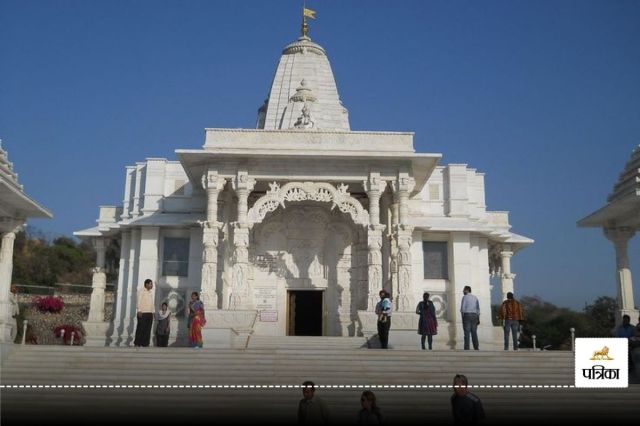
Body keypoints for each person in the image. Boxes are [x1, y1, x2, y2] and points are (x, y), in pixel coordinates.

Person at [133, 279, 154, 347]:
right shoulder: (141, 291)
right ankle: (137, 343)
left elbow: (152, 303)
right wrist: (139, 310)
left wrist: (153, 311)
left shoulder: (150, 292)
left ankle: (145, 343)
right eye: (151, 284)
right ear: (146, 284)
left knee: (148, 329)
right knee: (140, 328)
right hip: (142, 312)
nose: (152, 285)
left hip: (149, 313)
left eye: (152, 284)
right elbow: (138, 301)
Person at [460, 286, 480, 350]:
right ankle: (476, 347)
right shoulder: (475, 298)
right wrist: (478, 318)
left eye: (464, 290)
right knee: (474, 332)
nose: (463, 291)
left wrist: (462, 317)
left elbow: (463, 308)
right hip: (475, 316)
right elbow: (478, 309)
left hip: (467, 315)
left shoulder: (465, 297)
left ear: (467, 290)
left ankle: (467, 348)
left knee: (467, 332)